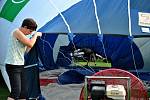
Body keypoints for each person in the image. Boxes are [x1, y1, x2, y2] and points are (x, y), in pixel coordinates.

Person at [4, 18, 42, 100]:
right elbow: (30, 44)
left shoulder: (23, 36)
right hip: (12, 65)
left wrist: (33, 39)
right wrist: (35, 35)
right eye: (30, 31)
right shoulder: (16, 32)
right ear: (25, 27)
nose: (30, 33)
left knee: (24, 93)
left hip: (20, 65)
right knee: (16, 92)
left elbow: (27, 50)